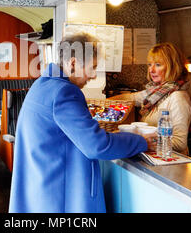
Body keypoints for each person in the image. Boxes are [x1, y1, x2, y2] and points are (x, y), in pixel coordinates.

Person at [9, 33, 156, 213]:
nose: (94, 75)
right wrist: (140, 140)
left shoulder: (42, 84)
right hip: (58, 199)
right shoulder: (64, 93)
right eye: (92, 67)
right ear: (72, 64)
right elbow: (97, 146)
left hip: (40, 192)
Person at [109, 42, 191, 155]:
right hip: (155, 156)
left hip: (171, 161)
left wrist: (145, 141)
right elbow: (130, 98)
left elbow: (180, 142)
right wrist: (103, 102)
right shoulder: (155, 92)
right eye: (149, 64)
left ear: (172, 67)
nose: (151, 70)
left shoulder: (178, 97)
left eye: (158, 65)